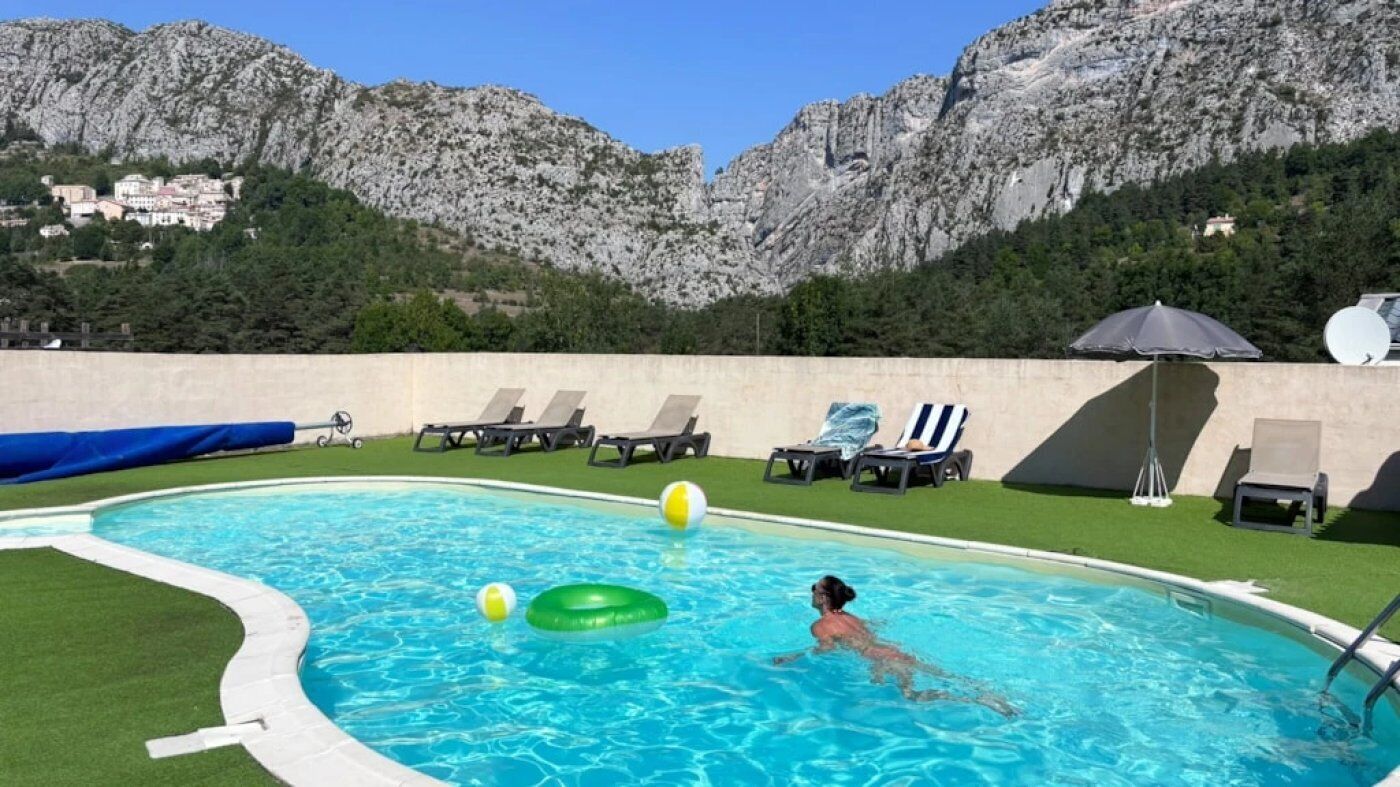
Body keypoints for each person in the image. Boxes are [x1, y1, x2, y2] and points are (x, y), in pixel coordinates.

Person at [773, 575, 1016, 717]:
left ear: (823, 597)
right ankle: (985, 693)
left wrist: (792, 658)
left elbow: (825, 650)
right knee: (948, 675)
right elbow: (872, 629)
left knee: (912, 697)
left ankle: (974, 702)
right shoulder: (852, 618)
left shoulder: (821, 625)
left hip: (882, 660)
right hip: (895, 651)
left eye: (814, 588)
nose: (811, 592)